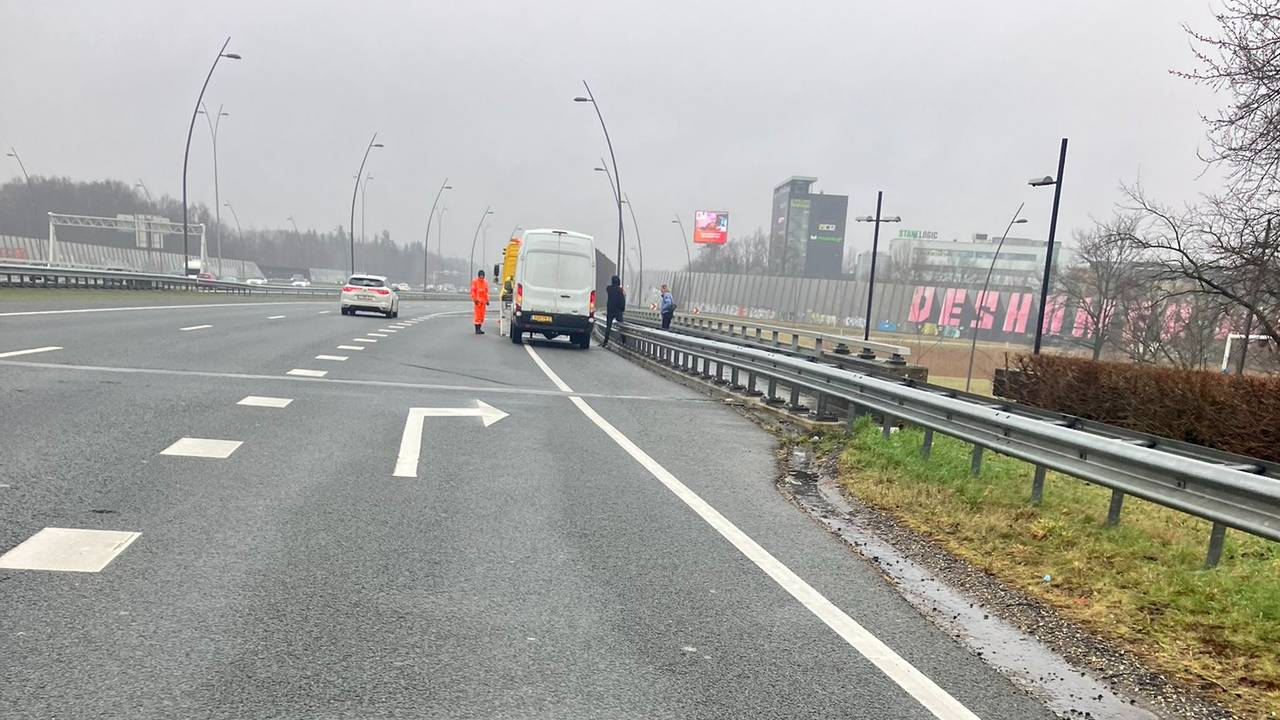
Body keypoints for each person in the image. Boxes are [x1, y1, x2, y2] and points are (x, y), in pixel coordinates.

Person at [601, 275, 625, 347]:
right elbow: (623, 300)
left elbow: (608, 289)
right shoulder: (620, 290)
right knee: (621, 326)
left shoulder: (609, 289)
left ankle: (605, 342)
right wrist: (622, 309)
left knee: (608, 326)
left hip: (610, 310)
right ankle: (624, 341)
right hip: (618, 311)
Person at [470, 269, 489, 334]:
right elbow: (473, 291)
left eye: (482, 275)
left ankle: (479, 329)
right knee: (477, 316)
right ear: (478, 275)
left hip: (483, 302)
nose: (481, 277)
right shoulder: (475, 282)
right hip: (477, 302)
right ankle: (477, 329)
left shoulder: (485, 283)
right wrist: (475, 300)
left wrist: (487, 300)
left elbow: (486, 292)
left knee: (482, 315)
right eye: (480, 275)